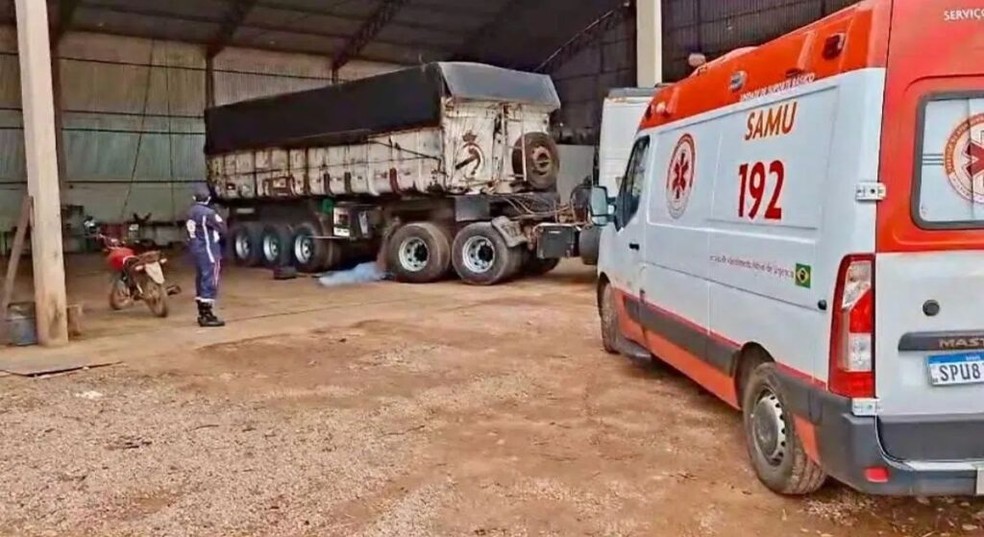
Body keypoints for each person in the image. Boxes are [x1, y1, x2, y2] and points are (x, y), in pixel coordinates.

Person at [186, 184, 226, 327]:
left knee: (201, 279)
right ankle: (206, 314)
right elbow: (223, 228)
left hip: (196, 250)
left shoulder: (190, 212)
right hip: (209, 250)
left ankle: (202, 312)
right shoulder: (208, 213)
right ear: (208, 198)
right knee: (210, 280)